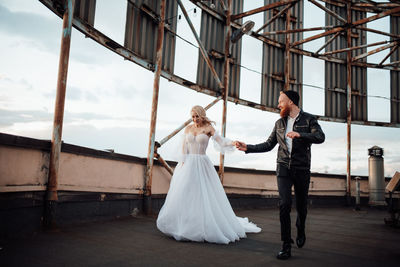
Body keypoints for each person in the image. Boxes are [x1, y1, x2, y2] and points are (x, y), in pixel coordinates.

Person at [235, 90, 325, 260]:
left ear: (290, 102)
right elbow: (269, 144)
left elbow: (320, 136)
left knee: (301, 206)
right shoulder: (279, 123)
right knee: (284, 204)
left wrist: (301, 135)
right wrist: (249, 147)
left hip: (302, 169)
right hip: (283, 168)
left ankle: (301, 226)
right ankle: (286, 245)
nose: (278, 105)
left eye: (281, 101)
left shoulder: (309, 119)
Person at [156, 105, 261, 244]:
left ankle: (204, 225)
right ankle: (184, 224)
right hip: (188, 165)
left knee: (203, 193)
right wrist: (182, 163)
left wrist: (233, 142)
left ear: (202, 115)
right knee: (186, 193)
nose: (195, 119)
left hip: (202, 163)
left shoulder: (208, 128)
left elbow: (221, 141)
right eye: (192, 117)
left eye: (197, 116)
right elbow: (184, 147)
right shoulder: (189, 128)